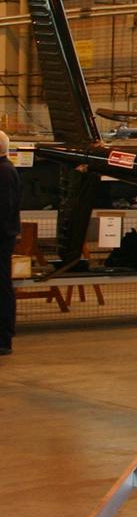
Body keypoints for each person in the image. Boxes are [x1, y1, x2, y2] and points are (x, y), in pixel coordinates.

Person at [0, 130, 18, 355]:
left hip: (1, 240)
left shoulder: (3, 172)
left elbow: (3, 210)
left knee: (2, 289)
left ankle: (3, 338)